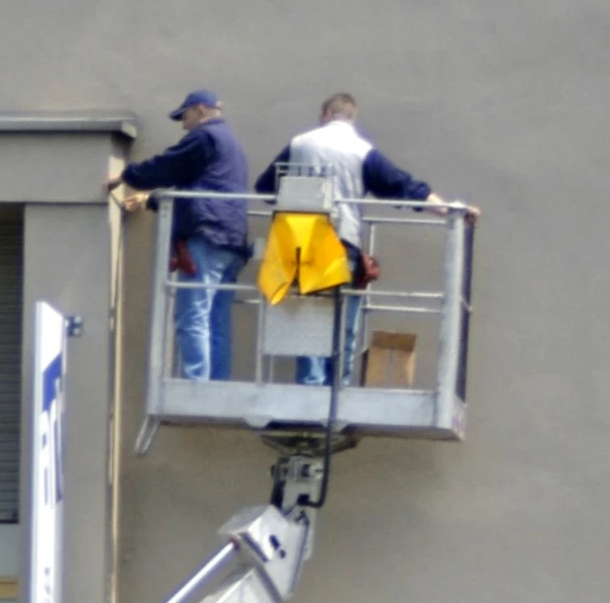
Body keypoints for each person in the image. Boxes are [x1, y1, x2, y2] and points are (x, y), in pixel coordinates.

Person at [255, 93, 466, 388]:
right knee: (344, 326)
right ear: (352, 118)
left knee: (308, 324)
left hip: (301, 246)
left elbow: (264, 188)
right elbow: (403, 187)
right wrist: (450, 211)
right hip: (342, 245)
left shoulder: (300, 143)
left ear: (327, 113)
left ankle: (311, 386)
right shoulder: (361, 150)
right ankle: (337, 389)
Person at [112, 91, 252, 381]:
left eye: (184, 116)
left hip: (207, 235)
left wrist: (128, 175)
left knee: (193, 316)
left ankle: (196, 384)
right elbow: (202, 189)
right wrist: (151, 200)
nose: (183, 124)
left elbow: (169, 165)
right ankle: (216, 384)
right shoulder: (231, 144)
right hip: (231, 239)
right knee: (216, 319)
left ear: (200, 110)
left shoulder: (205, 137)